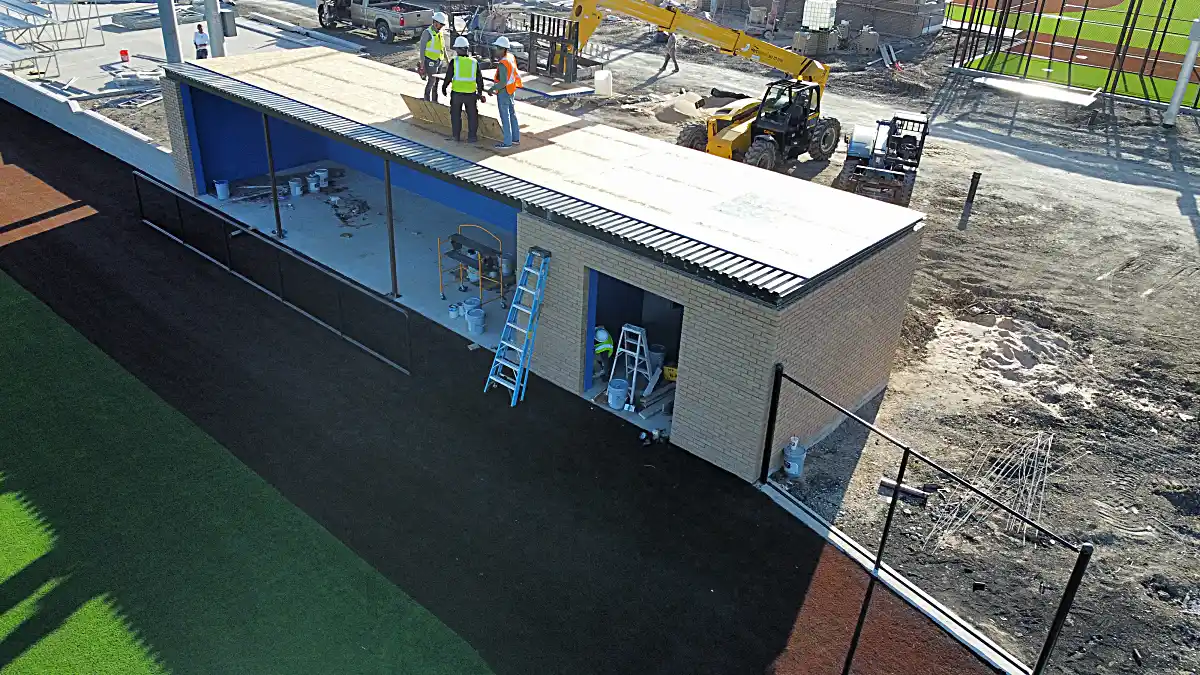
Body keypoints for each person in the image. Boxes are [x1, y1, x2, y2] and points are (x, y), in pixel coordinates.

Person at [441, 36, 486, 143]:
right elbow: (479, 79)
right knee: (472, 116)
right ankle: (472, 137)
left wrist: (444, 87)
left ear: (458, 49)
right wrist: (479, 93)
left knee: (456, 115)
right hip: (471, 95)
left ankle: (456, 136)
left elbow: (448, 77)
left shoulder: (454, 62)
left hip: (457, 94)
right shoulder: (474, 62)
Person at [489, 36, 521, 149]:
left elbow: (502, 82)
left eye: (497, 48)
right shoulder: (510, 57)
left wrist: (492, 88)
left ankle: (507, 142)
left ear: (503, 49)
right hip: (512, 90)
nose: (496, 50)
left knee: (505, 117)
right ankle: (516, 139)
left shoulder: (503, 63)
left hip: (504, 92)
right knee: (512, 115)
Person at [418, 12, 447, 102]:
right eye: (440, 24)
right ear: (435, 23)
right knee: (431, 82)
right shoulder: (427, 33)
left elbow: (443, 47)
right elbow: (422, 49)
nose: (442, 26)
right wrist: (422, 63)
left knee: (437, 82)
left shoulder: (440, 33)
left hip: (439, 61)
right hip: (430, 61)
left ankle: (435, 101)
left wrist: (447, 60)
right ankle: (427, 100)